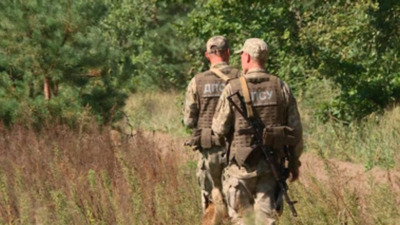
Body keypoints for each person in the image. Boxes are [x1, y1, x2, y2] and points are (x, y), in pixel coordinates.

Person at [211, 38, 303, 225]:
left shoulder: (233, 88)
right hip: (271, 168)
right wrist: (294, 163)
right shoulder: (280, 87)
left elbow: (219, 129)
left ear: (246, 57)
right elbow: (295, 132)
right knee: (265, 221)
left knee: (242, 221)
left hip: (240, 169)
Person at [183, 35, 241, 215]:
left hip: (210, 152)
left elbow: (189, 121)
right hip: (238, 152)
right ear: (229, 53)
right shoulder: (242, 78)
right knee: (240, 207)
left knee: (212, 206)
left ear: (208, 55)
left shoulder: (197, 81)